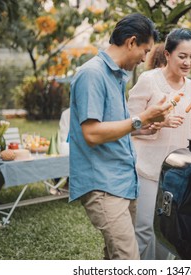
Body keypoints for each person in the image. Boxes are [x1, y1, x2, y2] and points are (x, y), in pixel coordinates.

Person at [69, 13, 171, 260]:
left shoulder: (115, 76)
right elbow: (92, 133)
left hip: (123, 180)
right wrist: (142, 118)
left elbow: (113, 126)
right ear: (131, 42)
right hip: (102, 184)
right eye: (145, 50)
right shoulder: (92, 74)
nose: (145, 58)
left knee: (114, 257)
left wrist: (142, 128)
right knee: (127, 259)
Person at [128, 28, 191, 260]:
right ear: (168, 54)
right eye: (182, 56)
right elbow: (128, 126)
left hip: (177, 175)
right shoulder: (148, 80)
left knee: (168, 232)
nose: (188, 62)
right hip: (148, 170)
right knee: (143, 231)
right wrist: (158, 124)